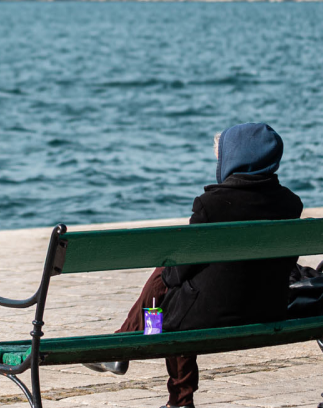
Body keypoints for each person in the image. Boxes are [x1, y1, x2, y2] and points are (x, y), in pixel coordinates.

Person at [85, 122, 304, 408]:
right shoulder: (291, 204)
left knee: (167, 297)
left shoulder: (210, 205)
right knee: (172, 286)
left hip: (211, 316)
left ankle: (162, 382)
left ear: (234, 158)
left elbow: (177, 275)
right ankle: (121, 347)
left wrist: (170, 267)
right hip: (269, 309)